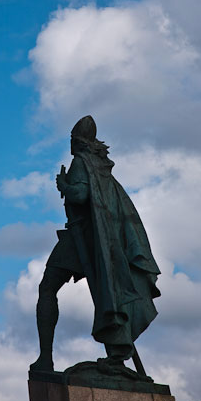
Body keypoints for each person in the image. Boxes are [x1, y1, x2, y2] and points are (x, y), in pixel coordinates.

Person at [30, 116, 161, 373]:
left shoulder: (80, 162)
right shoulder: (100, 167)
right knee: (105, 294)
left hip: (82, 238)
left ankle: (46, 359)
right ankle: (116, 354)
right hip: (96, 240)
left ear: (76, 142)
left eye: (71, 140)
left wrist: (63, 185)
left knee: (47, 288)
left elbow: (80, 195)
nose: (70, 144)